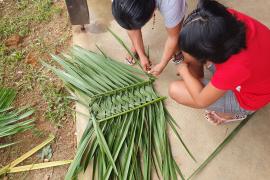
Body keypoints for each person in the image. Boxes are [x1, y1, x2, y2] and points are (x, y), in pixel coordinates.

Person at [169, 0, 270, 125]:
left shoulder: (235, 67)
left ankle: (238, 112)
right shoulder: (222, 17)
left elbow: (201, 101)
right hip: (252, 72)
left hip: (250, 97)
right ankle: (200, 82)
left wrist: (183, 71)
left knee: (176, 90)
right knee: (189, 49)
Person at [112, 0, 187, 76]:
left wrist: (162, 64)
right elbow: (128, 20)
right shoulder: (119, 3)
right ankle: (136, 46)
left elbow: (173, 37)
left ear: (152, 12)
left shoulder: (172, 3)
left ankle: (176, 48)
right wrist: (141, 55)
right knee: (129, 18)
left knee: (175, 33)